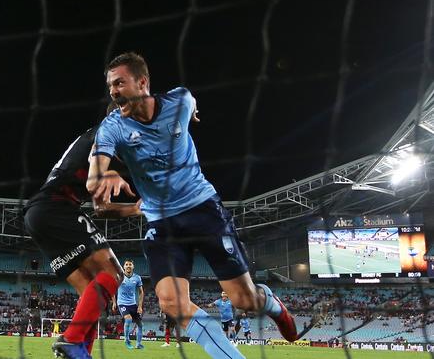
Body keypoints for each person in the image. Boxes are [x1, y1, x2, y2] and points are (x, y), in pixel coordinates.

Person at [88, 52, 299, 359]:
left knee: (244, 300)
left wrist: (194, 110)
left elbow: (190, 101)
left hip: (203, 211)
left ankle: (272, 304)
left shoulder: (179, 102)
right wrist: (102, 175)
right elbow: (95, 175)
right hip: (162, 224)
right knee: (171, 303)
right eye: (110, 86)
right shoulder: (113, 126)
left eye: (119, 83)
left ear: (142, 82)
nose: (114, 91)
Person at [23, 115, 142, 359]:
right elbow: (91, 184)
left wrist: (136, 209)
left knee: (93, 295)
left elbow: (101, 209)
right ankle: (71, 340)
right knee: (114, 273)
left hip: (39, 215)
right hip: (57, 208)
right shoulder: (104, 133)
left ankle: (79, 354)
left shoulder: (103, 148)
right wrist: (110, 176)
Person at [112, 259, 144, 349]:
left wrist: (140, 306)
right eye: (126, 264)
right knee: (128, 319)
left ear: (133, 267)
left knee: (140, 325)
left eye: (130, 264)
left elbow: (141, 292)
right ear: (124, 266)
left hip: (133, 304)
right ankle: (126, 339)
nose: (128, 266)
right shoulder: (119, 277)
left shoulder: (137, 278)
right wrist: (114, 302)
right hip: (122, 303)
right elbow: (112, 289)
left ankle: (138, 344)